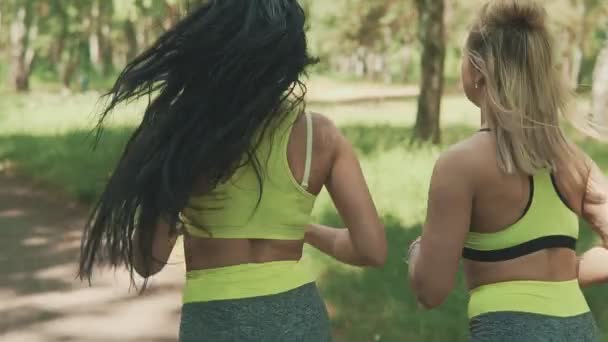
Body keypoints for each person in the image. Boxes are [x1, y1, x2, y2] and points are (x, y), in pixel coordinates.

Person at [77, 1, 386, 341]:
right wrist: (303, 229)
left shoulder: (185, 135)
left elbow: (147, 262)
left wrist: (151, 196)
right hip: (299, 319)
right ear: (290, 55)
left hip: (216, 322)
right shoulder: (320, 135)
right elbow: (371, 250)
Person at [407, 0, 608, 341]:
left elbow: (431, 290)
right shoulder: (575, 160)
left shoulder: (460, 165)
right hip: (580, 328)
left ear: (478, 68)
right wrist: (560, 274)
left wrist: (415, 251)